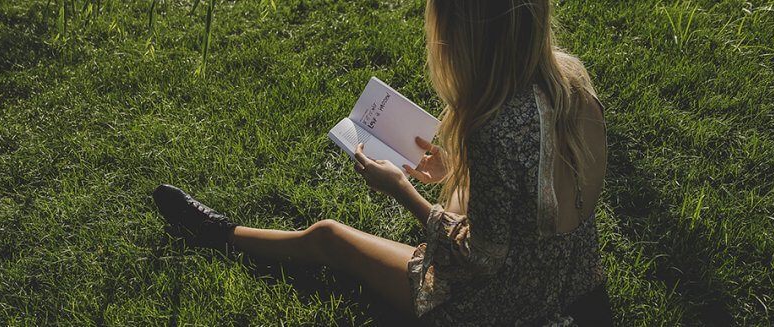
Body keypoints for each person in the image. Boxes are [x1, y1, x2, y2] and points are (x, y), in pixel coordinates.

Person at [152, 0, 612, 325]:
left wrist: (403, 191)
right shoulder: (568, 77)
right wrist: (455, 167)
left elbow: (482, 260)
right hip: (571, 274)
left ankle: (219, 233)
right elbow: (544, 185)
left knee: (328, 237)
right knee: (456, 194)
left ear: (465, 38)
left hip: (507, 302)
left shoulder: (491, 127)